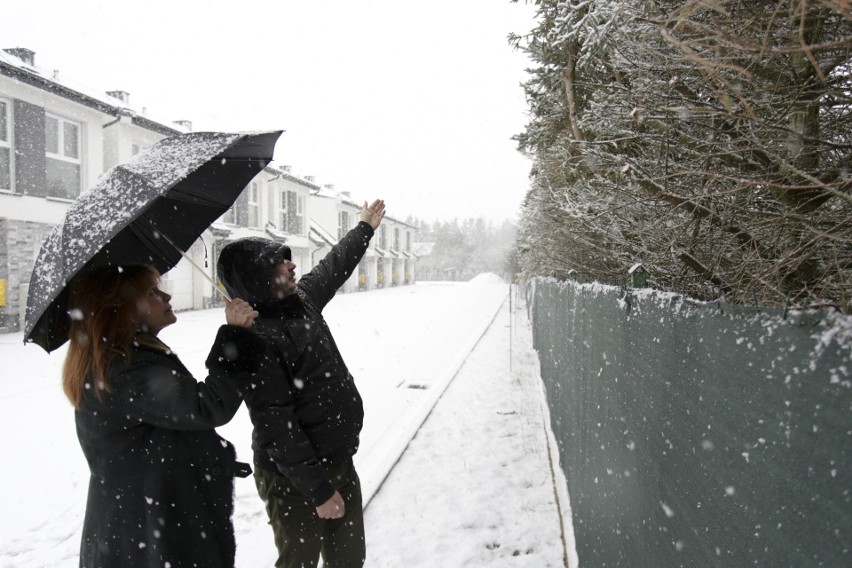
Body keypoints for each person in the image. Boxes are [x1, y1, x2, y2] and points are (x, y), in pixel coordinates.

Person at [216, 199, 386, 568]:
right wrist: (319, 491)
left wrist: (364, 228)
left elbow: (334, 266)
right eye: (280, 261)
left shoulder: (303, 302)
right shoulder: (256, 338)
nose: (292, 264)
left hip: (338, 458)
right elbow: (276, 426)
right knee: (300, 562)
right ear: (258, 278)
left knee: (349, 558)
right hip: (292, 478)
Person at [63, 263, 263, 568]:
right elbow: (207, 406)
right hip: (151, 537)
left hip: (150, 524)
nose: (167, 295)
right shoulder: (126, 369)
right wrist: (235, 337)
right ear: (121, 309)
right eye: (152, 292)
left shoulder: (127, 358)